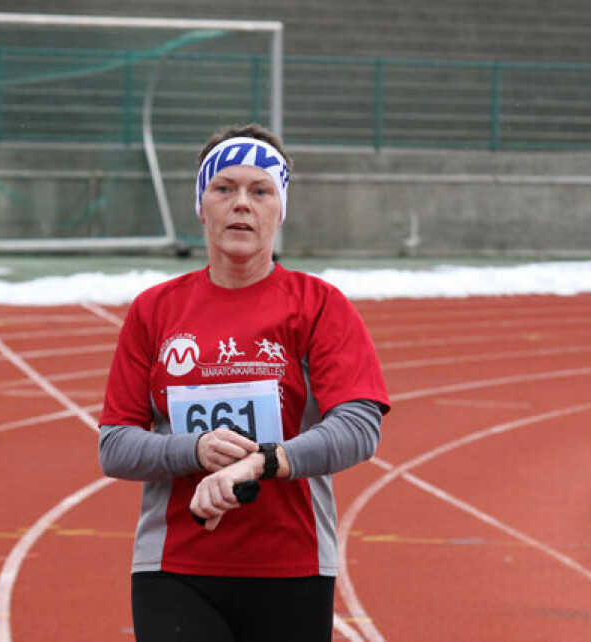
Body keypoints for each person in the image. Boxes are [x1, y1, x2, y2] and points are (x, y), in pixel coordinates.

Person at [98, 123, 391, 642]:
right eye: (224, 188)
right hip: (175, 565)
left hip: (291, 563)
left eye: (260, 192)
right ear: (200, 205)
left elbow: (359, 427)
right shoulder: (154, 311)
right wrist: (197, 449)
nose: (241, 205)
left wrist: (265, 460)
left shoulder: (319, 306)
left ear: (281, 209)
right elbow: (115, 445)